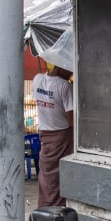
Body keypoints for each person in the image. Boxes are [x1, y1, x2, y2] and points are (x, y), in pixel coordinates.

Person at [32, 64, 74, 207]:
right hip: (62, 136)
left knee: (46, 178)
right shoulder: (65, 86)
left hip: (44, 135)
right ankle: (58, 218)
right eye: (70, 69)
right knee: (59, 179)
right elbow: (71, 121)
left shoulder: (37, 79)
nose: (71, 72)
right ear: (61, 66)